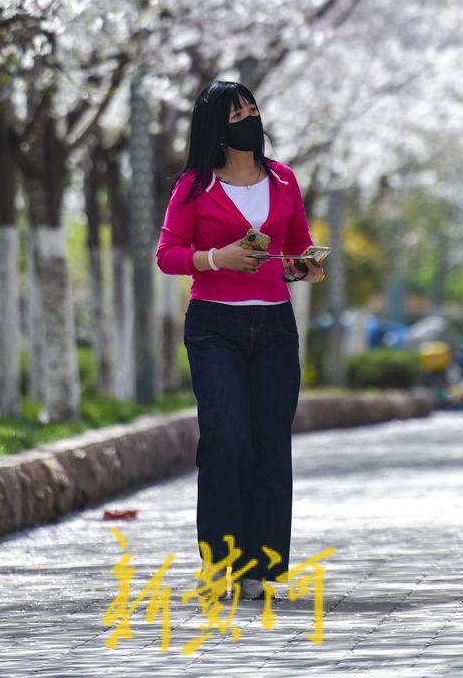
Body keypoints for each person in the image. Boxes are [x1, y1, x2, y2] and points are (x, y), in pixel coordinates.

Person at [155, 80, 325, 601]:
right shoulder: (193, 187)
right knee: (227, 439)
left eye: (252, 109)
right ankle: (219, 562)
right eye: (236, 114)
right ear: (215, 127)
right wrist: (216, 258)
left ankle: (261, 569)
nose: (249, 119)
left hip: (274, 326)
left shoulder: (284, 179)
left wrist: (303, 266)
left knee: (271, 444)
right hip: (214, 328)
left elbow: (296, 246)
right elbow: (168, 255)